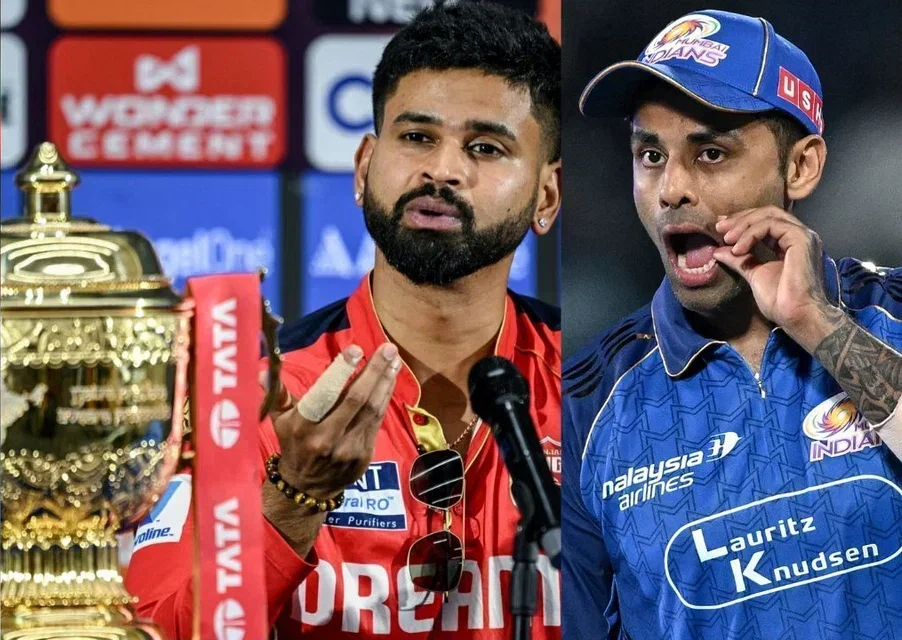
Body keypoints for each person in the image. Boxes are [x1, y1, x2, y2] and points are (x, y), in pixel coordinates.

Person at [126, 2, 563, 638]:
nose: (442, 169)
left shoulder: (595, 385)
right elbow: (156, 629)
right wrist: (293, 499)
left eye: (485, 147)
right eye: (417, 137)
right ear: (364, 168)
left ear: (546, 196)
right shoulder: (247, 395)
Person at [563, 9, 902, 639]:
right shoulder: (582, 411)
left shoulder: (893, 313)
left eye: (711, 153)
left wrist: (821, 327)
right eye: (649, 154)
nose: (670, 190)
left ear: (800, 166)